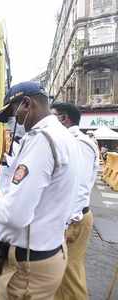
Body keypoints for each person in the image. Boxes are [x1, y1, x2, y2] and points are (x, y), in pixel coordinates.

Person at [0, 81, 80, 300]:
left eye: (14, 114)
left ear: (27, 104)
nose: (13, 123)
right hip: (46, 253)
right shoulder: (64, 136)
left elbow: (14, 215)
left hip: (28, 268)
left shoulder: (42, 140)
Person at [51, 102, 99, 300]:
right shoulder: (68, 140)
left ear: (64, 118)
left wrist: (67, 222)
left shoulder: (77, 142)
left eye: (52, 116)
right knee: (60, 273)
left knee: (70, 273)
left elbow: (78, 186)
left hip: (73, 219)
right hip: (69, 216)